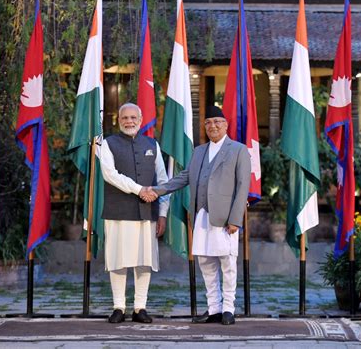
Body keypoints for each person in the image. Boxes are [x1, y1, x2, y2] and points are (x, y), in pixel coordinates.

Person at [146, 106, 251, 325]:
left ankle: (229, 309)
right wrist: (157, 190)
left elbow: (243, 186)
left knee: (228, 264)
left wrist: (235, 219)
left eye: (217, 122)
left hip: (225, 218)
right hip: (201, 215)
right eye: (208, 122)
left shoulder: (238, 150)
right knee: (205, 263)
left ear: (226, 124)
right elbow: (184, 177)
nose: (213, 126)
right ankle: (214, 308)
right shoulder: (199, 150)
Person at [100, 103, 169, 324]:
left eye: (133, 117)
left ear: (140, 119)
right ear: (118, 119)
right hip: (117, 212)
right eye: (125, 118)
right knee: (118, 261)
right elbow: (110, 175)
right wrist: (140, 189)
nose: (129, 121)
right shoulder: (108, 144)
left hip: (147, 213)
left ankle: (140, 307)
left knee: (143, 261)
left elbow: (163, 180)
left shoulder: (152, 144)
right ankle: (119, 306)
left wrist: (163, 214)